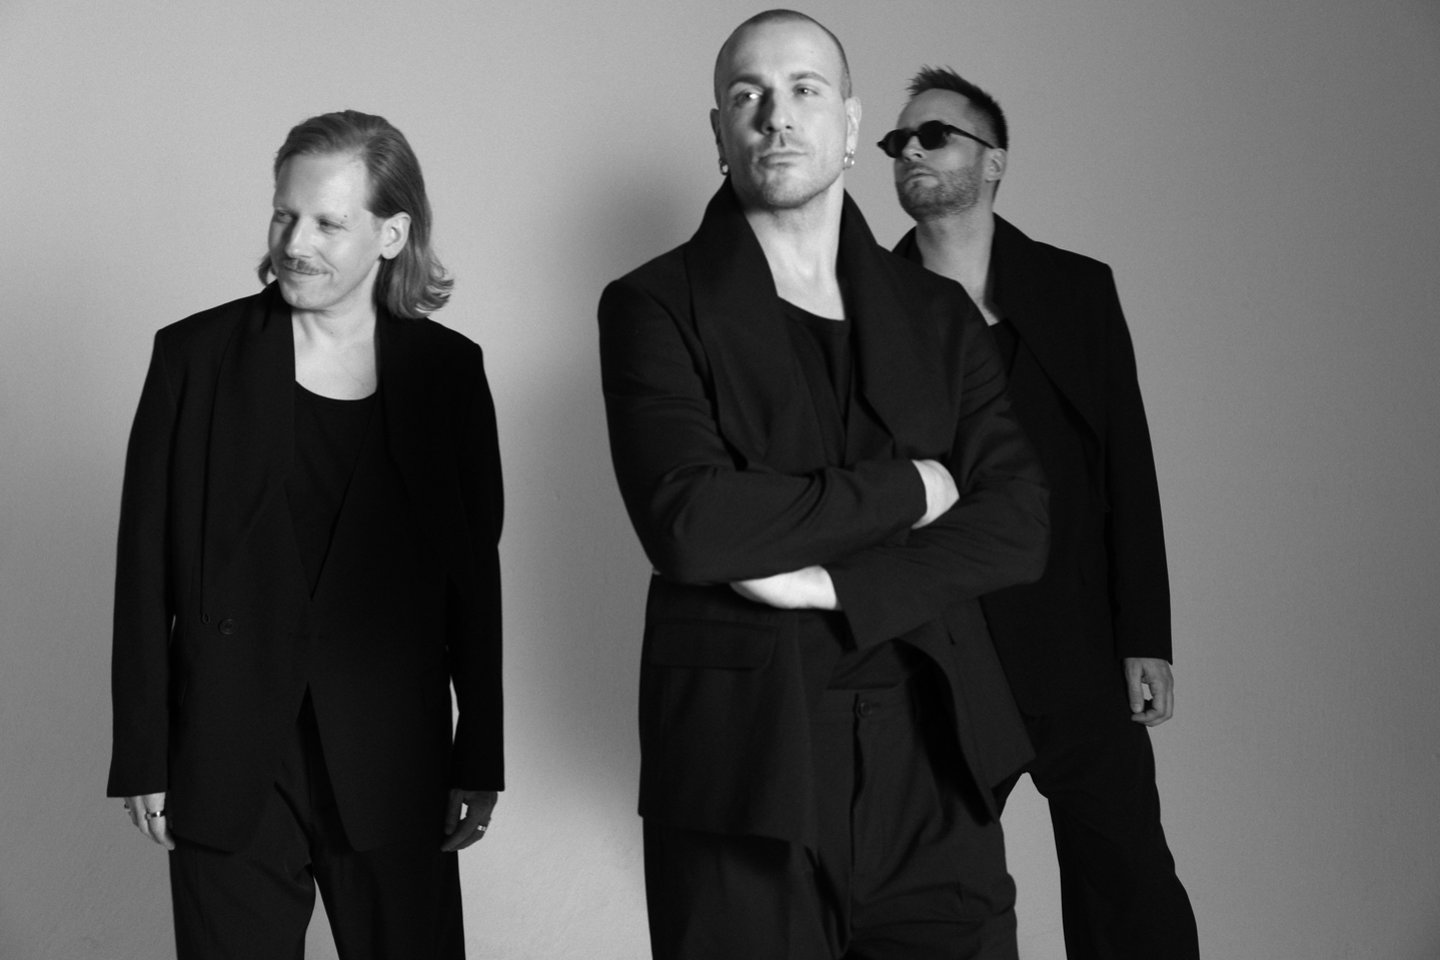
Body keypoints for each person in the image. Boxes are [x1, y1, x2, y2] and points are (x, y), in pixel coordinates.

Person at [598, 12, 1049, 959]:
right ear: (719, 131)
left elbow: (1017, 521)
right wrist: (914, 489)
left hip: (934, 747)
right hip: (744, 765)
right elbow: (693, 524)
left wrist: (829, 582)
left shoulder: (938, 314)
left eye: (804, 89)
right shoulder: (651, 305)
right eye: (748, 95)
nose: (776, 115)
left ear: (849, 126)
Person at [107, 110, 504, 960]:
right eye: (285, 215)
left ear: (392, 234)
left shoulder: (449, 373)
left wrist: (481, 752)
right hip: (227, 751)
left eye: (328, 222)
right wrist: (142, 753)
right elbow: (142, 568)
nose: (295, 243)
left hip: (395, 758)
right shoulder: (193, 359)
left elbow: (475, 578)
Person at [881, 66, 1199, 959]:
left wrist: (1146, 635)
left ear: (994, 162)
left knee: (1129, 889)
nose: (910, 151)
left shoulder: (1077, 289)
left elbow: (1125, 466)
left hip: (1077, 646)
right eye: (898, 141)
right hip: (939, 654)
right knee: (925, 903)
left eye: (934, 135)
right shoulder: (863, 306)